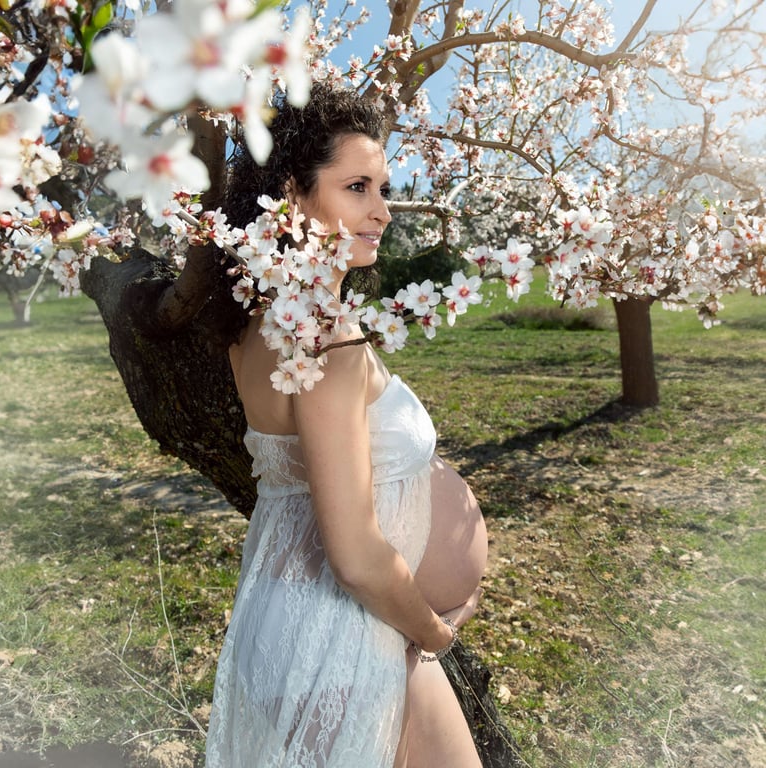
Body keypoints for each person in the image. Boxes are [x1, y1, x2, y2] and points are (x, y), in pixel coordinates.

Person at [205, 82, 488, 768]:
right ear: (294, 195)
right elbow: (357, 557)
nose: (382, 212)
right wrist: (433, 633)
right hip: (344, 640)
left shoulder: (258, 325)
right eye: (357, 187)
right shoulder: (325, 339)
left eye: (382, 188)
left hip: (292, 625)